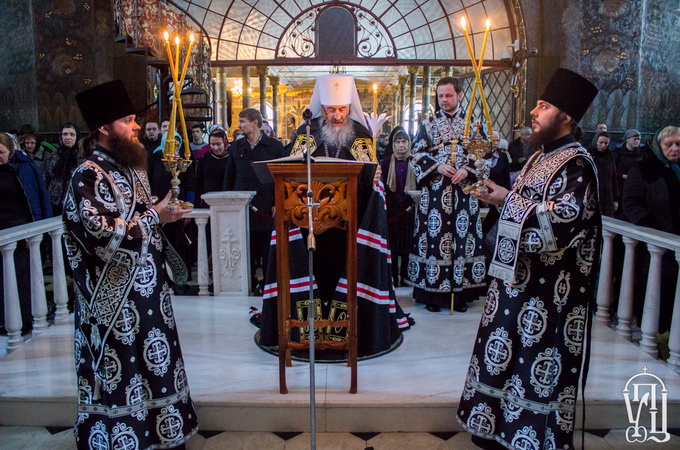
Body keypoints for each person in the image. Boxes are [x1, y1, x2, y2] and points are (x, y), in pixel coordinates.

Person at [457, 68, 600, 450]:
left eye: (544, 105)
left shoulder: (577, 164)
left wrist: (507, 200)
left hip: (548, 297)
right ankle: (493, 429)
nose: (534, 112)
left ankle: (528, 436)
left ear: (566, 116)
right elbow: (522, 205)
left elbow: (561, 225)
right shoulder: (539, 157)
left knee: (532, 365)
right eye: (537, 104)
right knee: (502, 359)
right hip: (513, 285)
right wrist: (495, 197)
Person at [64, 80, 198, 449]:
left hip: (150, 293)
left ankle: (163, 432)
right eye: (127, 120)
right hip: (113, 303)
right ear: (105, 128)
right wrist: (156, 216)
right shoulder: (87, 175)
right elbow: (99, 235)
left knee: (156, 363)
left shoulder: (132, 168)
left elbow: (144, 215)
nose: (137, 126)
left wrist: (166, 212)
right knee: (124, 367)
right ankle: (125, 437)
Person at [259, 74, 408, 358]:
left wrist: (373, 175)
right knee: (311, 274)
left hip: (347, 228)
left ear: (349, 106)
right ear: (322, 108)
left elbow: (368, 181)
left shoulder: (363, 135)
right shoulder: (306, 132)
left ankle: (347, 330)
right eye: (330, 110)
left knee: (344, 274)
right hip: (309, 226)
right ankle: (306, 329)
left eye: (341, 109)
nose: (337, 115)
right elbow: (291, 173)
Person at [407, 76, 486, 313]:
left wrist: (467, 169)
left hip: (464, 193)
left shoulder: (473, 124)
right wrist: (437, 167)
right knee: (434, 239)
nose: (444, 100)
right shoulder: (427, 124)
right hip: (436, 195)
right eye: (441, 96)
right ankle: (433, 295)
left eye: (449, 95)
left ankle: (460, 295)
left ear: (459, 95)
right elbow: (416, 154)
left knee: (462, 239)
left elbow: (484, 156)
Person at [621, 126, 680, 334]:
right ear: (658, 145)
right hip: (656, 246)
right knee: (659, 298)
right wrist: (652, 227)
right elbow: (630, 203)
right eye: (669, 144)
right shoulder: (644, 169)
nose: (674, 149)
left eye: (678, 144)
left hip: (677, 246)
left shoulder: (678, 169)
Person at [224, 108, 286, 295]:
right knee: (245, 250)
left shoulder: (274, 147)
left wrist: (278, 201)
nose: (239, 125)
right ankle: (248, 285)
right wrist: (228, 202)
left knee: (267, 250)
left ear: (255, 123)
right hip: (242, 206)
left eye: (242, 121)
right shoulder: (236, 146)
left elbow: (281, 177)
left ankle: (269, 287)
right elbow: (230, 176)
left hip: (266, 205)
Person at [0, 132, 52, 334]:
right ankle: (5, 320)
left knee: (22, 277)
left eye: (1, 152)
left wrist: (40, 229)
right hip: (1, 228)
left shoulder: (25, 165)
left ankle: (26, 318)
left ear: (10, 151)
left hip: (22, 227)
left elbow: (39, 196)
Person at [380, 126, 416, 287]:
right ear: (393, 145)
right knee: (393, 248)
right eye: (398, 142)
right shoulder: (386, 163)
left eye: (404, 142)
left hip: (410, 212)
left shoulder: (416, 162)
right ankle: (393, 279)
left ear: (409, 144)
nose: (401, 145)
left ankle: (408, 278)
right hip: (392, 213)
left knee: (409, 248)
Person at [44, 123, 81, 215]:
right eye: (65, 134)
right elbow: (47, 177)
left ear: (77, 137)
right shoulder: (54, 156)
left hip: (75, 204)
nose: (68, 137)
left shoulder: (82, 158)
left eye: (72, 134)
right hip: (54, 203)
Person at [613, 128, 645, 212]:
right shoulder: (617, 153)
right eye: (635, 139)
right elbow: (611, 170)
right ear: (627, 139)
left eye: (639, 139)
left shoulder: (641, 154)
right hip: (621, 186)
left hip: (636, 187)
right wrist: (622, 176)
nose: (637, 141)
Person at [195, 129, 229, 208]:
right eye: (212, 144)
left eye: (218, 144)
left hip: (227, 200)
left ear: (225, 142)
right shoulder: (204, 158)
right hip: (209, 201)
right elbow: (199, 183)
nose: (215, 148)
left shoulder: (232, 157)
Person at [589, 131, 618, 216]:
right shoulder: (588, 156)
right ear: (596, 142)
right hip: (592, 195)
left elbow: (613, 178)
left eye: (606, 143)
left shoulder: (610, 156)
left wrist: (616, 199)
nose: (603, 145)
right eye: (601, 142)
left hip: (608, 196)